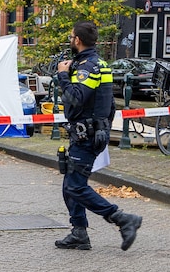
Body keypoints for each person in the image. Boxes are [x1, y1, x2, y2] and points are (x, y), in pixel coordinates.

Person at [53, 21, 142, 251]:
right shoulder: (99, 64)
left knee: (75, 186)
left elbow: (75, 98)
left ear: (78, 40)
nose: (70, 40)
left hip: (86, 136)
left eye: (71, 37)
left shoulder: (88, 67)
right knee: (69, 184)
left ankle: (122, 219)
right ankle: (79, 232)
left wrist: (63, 76)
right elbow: (109, 103)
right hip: (92, 132)